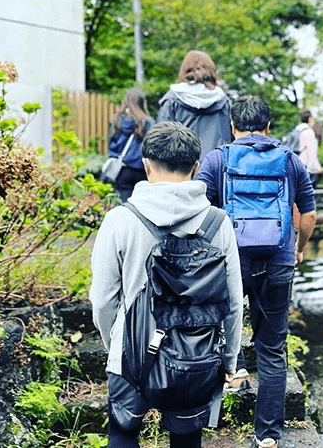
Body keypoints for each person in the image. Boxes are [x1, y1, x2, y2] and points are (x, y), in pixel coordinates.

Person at [90, 122, 243, 448]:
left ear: (146, 165)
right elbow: (231, 302)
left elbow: (103, 300)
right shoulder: (218, 222)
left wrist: (115, 346)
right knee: (186, 442)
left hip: (128, 356)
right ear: (197, 168)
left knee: (123, 435)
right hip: (195, 357)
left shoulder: (120, 219)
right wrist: (229, 361)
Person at [197, 96, 316, 448]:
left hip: (230, 261)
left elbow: (198, 210)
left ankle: (206, 418)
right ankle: (268, 436)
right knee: (274, 347)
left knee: (217, 332)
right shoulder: (290, 161)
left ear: (233, 126)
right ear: (268, 127)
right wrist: (299, 247)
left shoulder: (219, 158)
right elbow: (308, 216)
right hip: (278, 261)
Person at [157, 50, 232, 164]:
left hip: (181, 170)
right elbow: (232, 136)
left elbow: (160, 140)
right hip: (217, 168)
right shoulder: (223, 100)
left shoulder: (172, 99)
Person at [107, 88, 154, 202]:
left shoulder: (117, 120)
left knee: (125, 206)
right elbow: (153, 147)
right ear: (142, 102)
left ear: (126, 101)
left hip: (123, 170)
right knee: (142, 206)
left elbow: (111, 146)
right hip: (143, 170)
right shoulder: (148, 122)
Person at [295, 109, 323, 187]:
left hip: (295, 167)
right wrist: (318, 167)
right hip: (305, 169)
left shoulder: (296, 131)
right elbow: (312, 153)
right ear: (310, 118)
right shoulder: (309, 132)